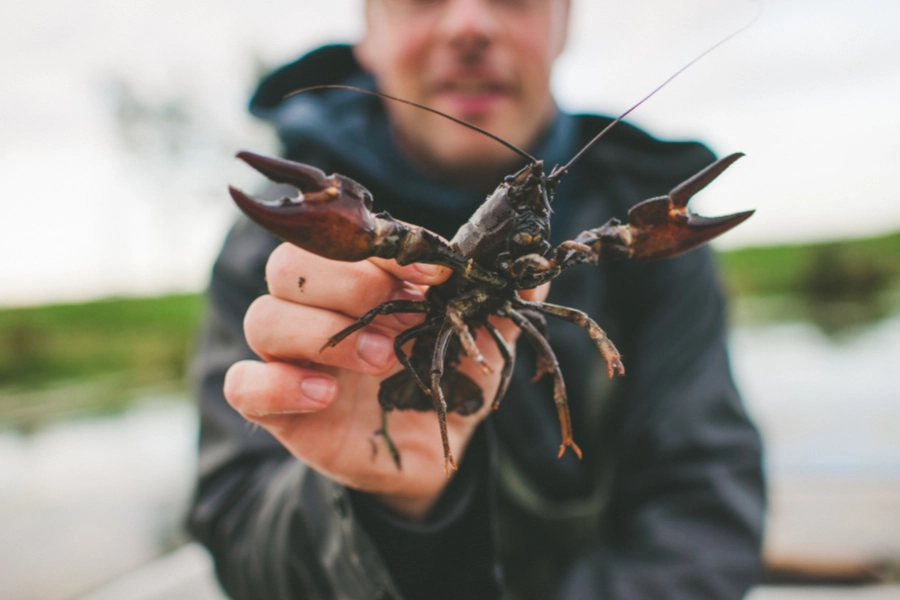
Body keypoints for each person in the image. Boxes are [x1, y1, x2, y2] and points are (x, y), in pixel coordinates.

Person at [188, 1, 766, 598]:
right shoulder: (289, 231)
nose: (470, 25)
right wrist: (386, 501)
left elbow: (707, 509)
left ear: (564, 21)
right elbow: (235, 530)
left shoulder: (645, 231)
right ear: (368, 32)